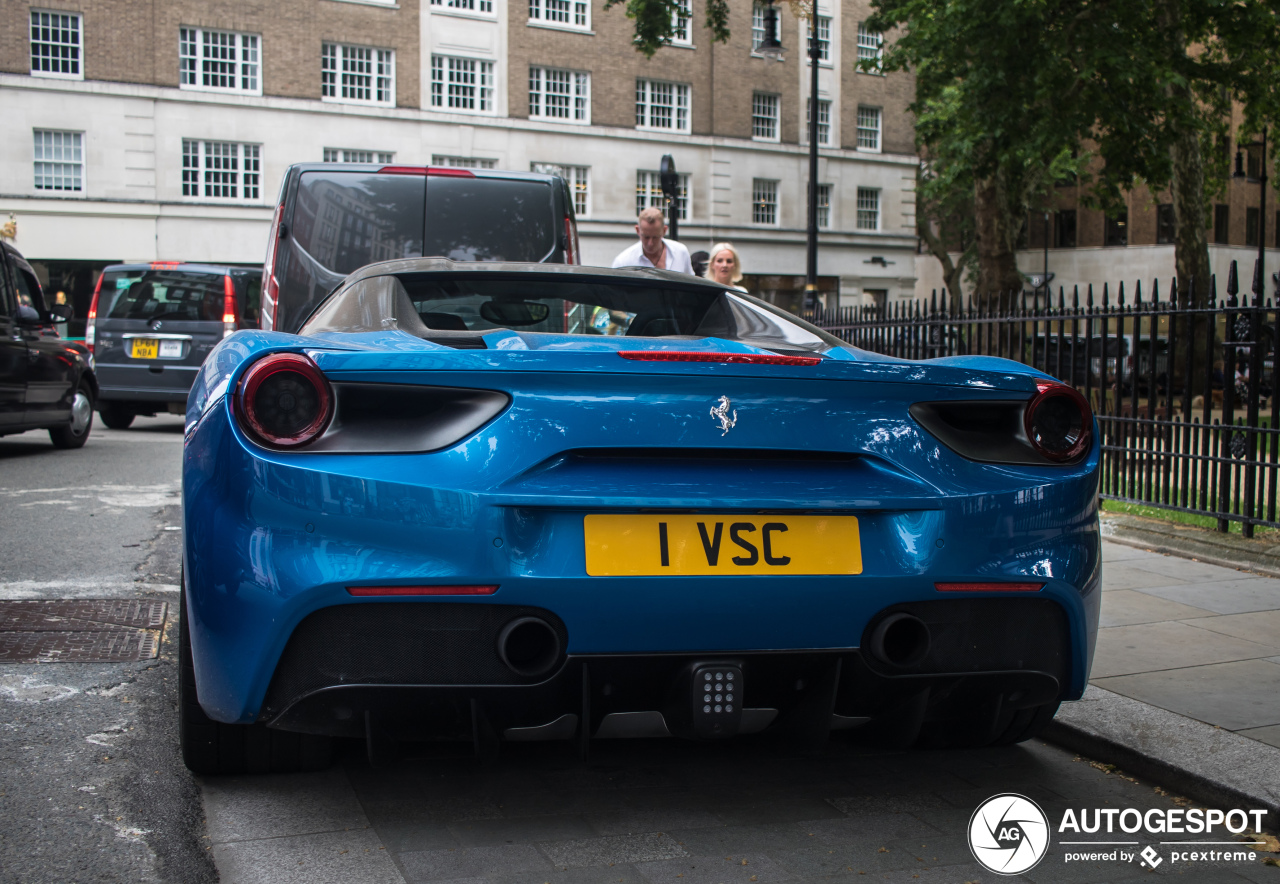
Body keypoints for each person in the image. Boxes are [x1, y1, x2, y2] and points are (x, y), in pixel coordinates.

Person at [612, 207, 694, 273]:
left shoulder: (681, 253)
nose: (650, 243)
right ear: (637, 230)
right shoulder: (623, 262)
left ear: (664, 230)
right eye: (646, 237)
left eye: (655, 237)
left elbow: (691, 287)